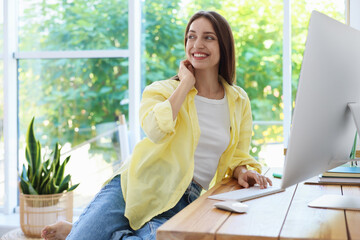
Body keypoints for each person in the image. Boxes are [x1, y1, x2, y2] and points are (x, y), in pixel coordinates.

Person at [41, 10, 272, 240]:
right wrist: (185, 85)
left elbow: (238, 155)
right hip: (136, 185)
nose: (197, 44)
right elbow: (154, 130)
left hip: (183, 199)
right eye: (191, 37)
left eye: (208, 37)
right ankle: (83, 230)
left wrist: (243, 171)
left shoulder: (238, 100)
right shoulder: (162, 91)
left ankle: (86, 229)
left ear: (224, 45)